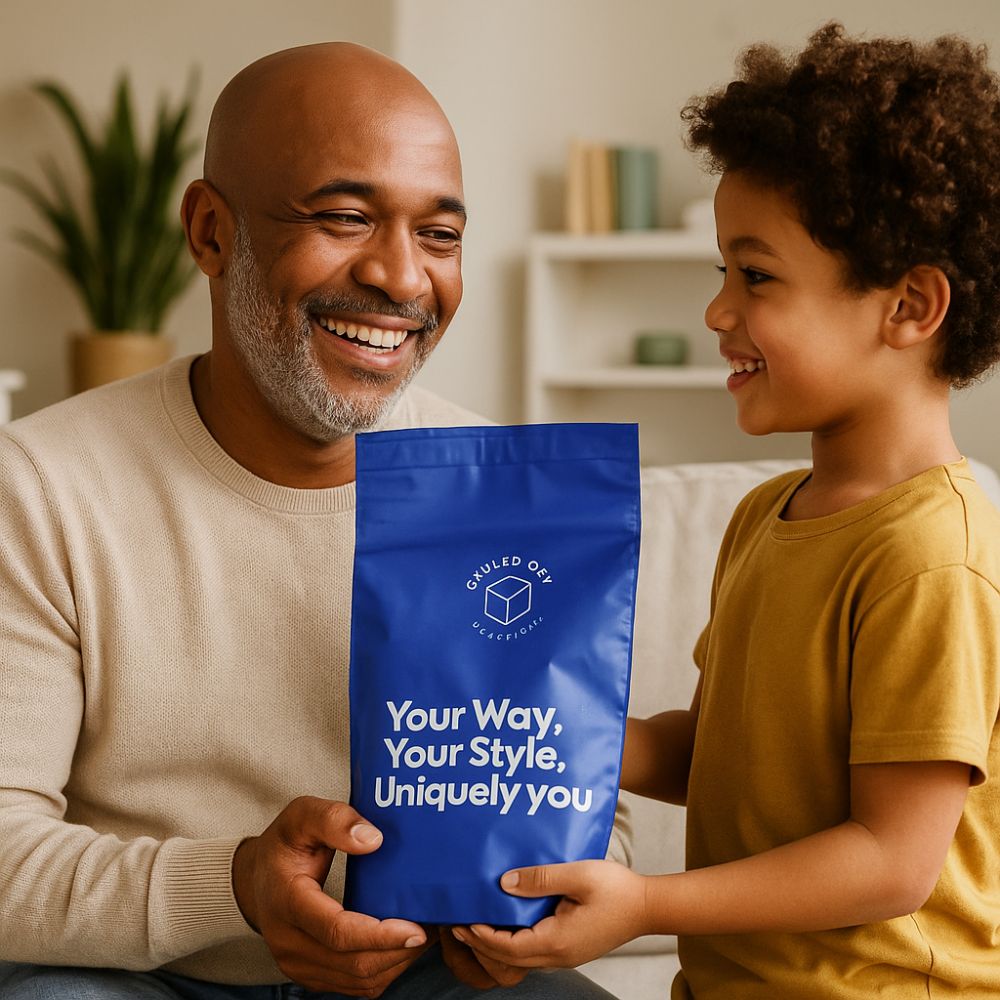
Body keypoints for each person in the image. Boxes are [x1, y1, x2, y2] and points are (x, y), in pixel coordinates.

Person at [0, 42, 626, 999]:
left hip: (424, 971)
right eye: (345, 218)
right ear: (211, 232)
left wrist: (535, 899)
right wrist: (240, 885)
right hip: (141, 974)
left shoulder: (504, 495)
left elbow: (588, 810)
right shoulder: (41, 487)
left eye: (441, 235)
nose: (402, 279)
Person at [455, 22, 1000, 999]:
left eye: (755, 276)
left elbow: (890, 857)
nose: (716, 311)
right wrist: (565, 731)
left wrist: (650, 901)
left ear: (910, 306)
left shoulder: (933, 554)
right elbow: (721, 750)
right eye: (720, 271)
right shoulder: (764, 516)